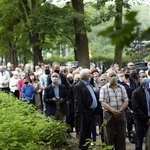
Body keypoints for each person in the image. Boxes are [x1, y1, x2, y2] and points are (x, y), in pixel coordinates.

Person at [99, 70, 129, 150]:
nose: (113, 77)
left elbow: (126, 101)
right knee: (109, 138)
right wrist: (113, 111)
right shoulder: (103, 89)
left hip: (121, 115)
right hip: (108, 115)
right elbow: (103, 103)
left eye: (114, 75)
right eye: (111, 76)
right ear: (108, 78)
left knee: (121, 137)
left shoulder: (122, 87)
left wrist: (120, 111)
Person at [73, 68, 98, 150]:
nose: (91, 76)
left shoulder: (88, 84)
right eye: (89, 74)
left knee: (89, 132)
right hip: (84, 113)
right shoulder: (78, 86)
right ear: (85, 76)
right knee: (83, 132)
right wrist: (83, 112)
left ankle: (88, 146)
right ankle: (83, 147)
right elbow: (78, 101)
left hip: (92, 112)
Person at [118, 67, 138, 143]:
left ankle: (136, 134)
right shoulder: (120, 82)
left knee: (135, 119)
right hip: (125, 103)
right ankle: (130, 134)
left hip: (134, 102)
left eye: (129, 72)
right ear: (123, 72)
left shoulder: (133, 81)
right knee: (128, 119)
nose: (128, 74)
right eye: (127, 72)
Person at [132, 72, 150, 150]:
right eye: (143, 77)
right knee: (139, 141)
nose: (145, 78)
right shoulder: (136, 92)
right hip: (140, 120)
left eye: (146, 76)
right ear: (139, 79)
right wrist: (146, 119)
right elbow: (136, 108)